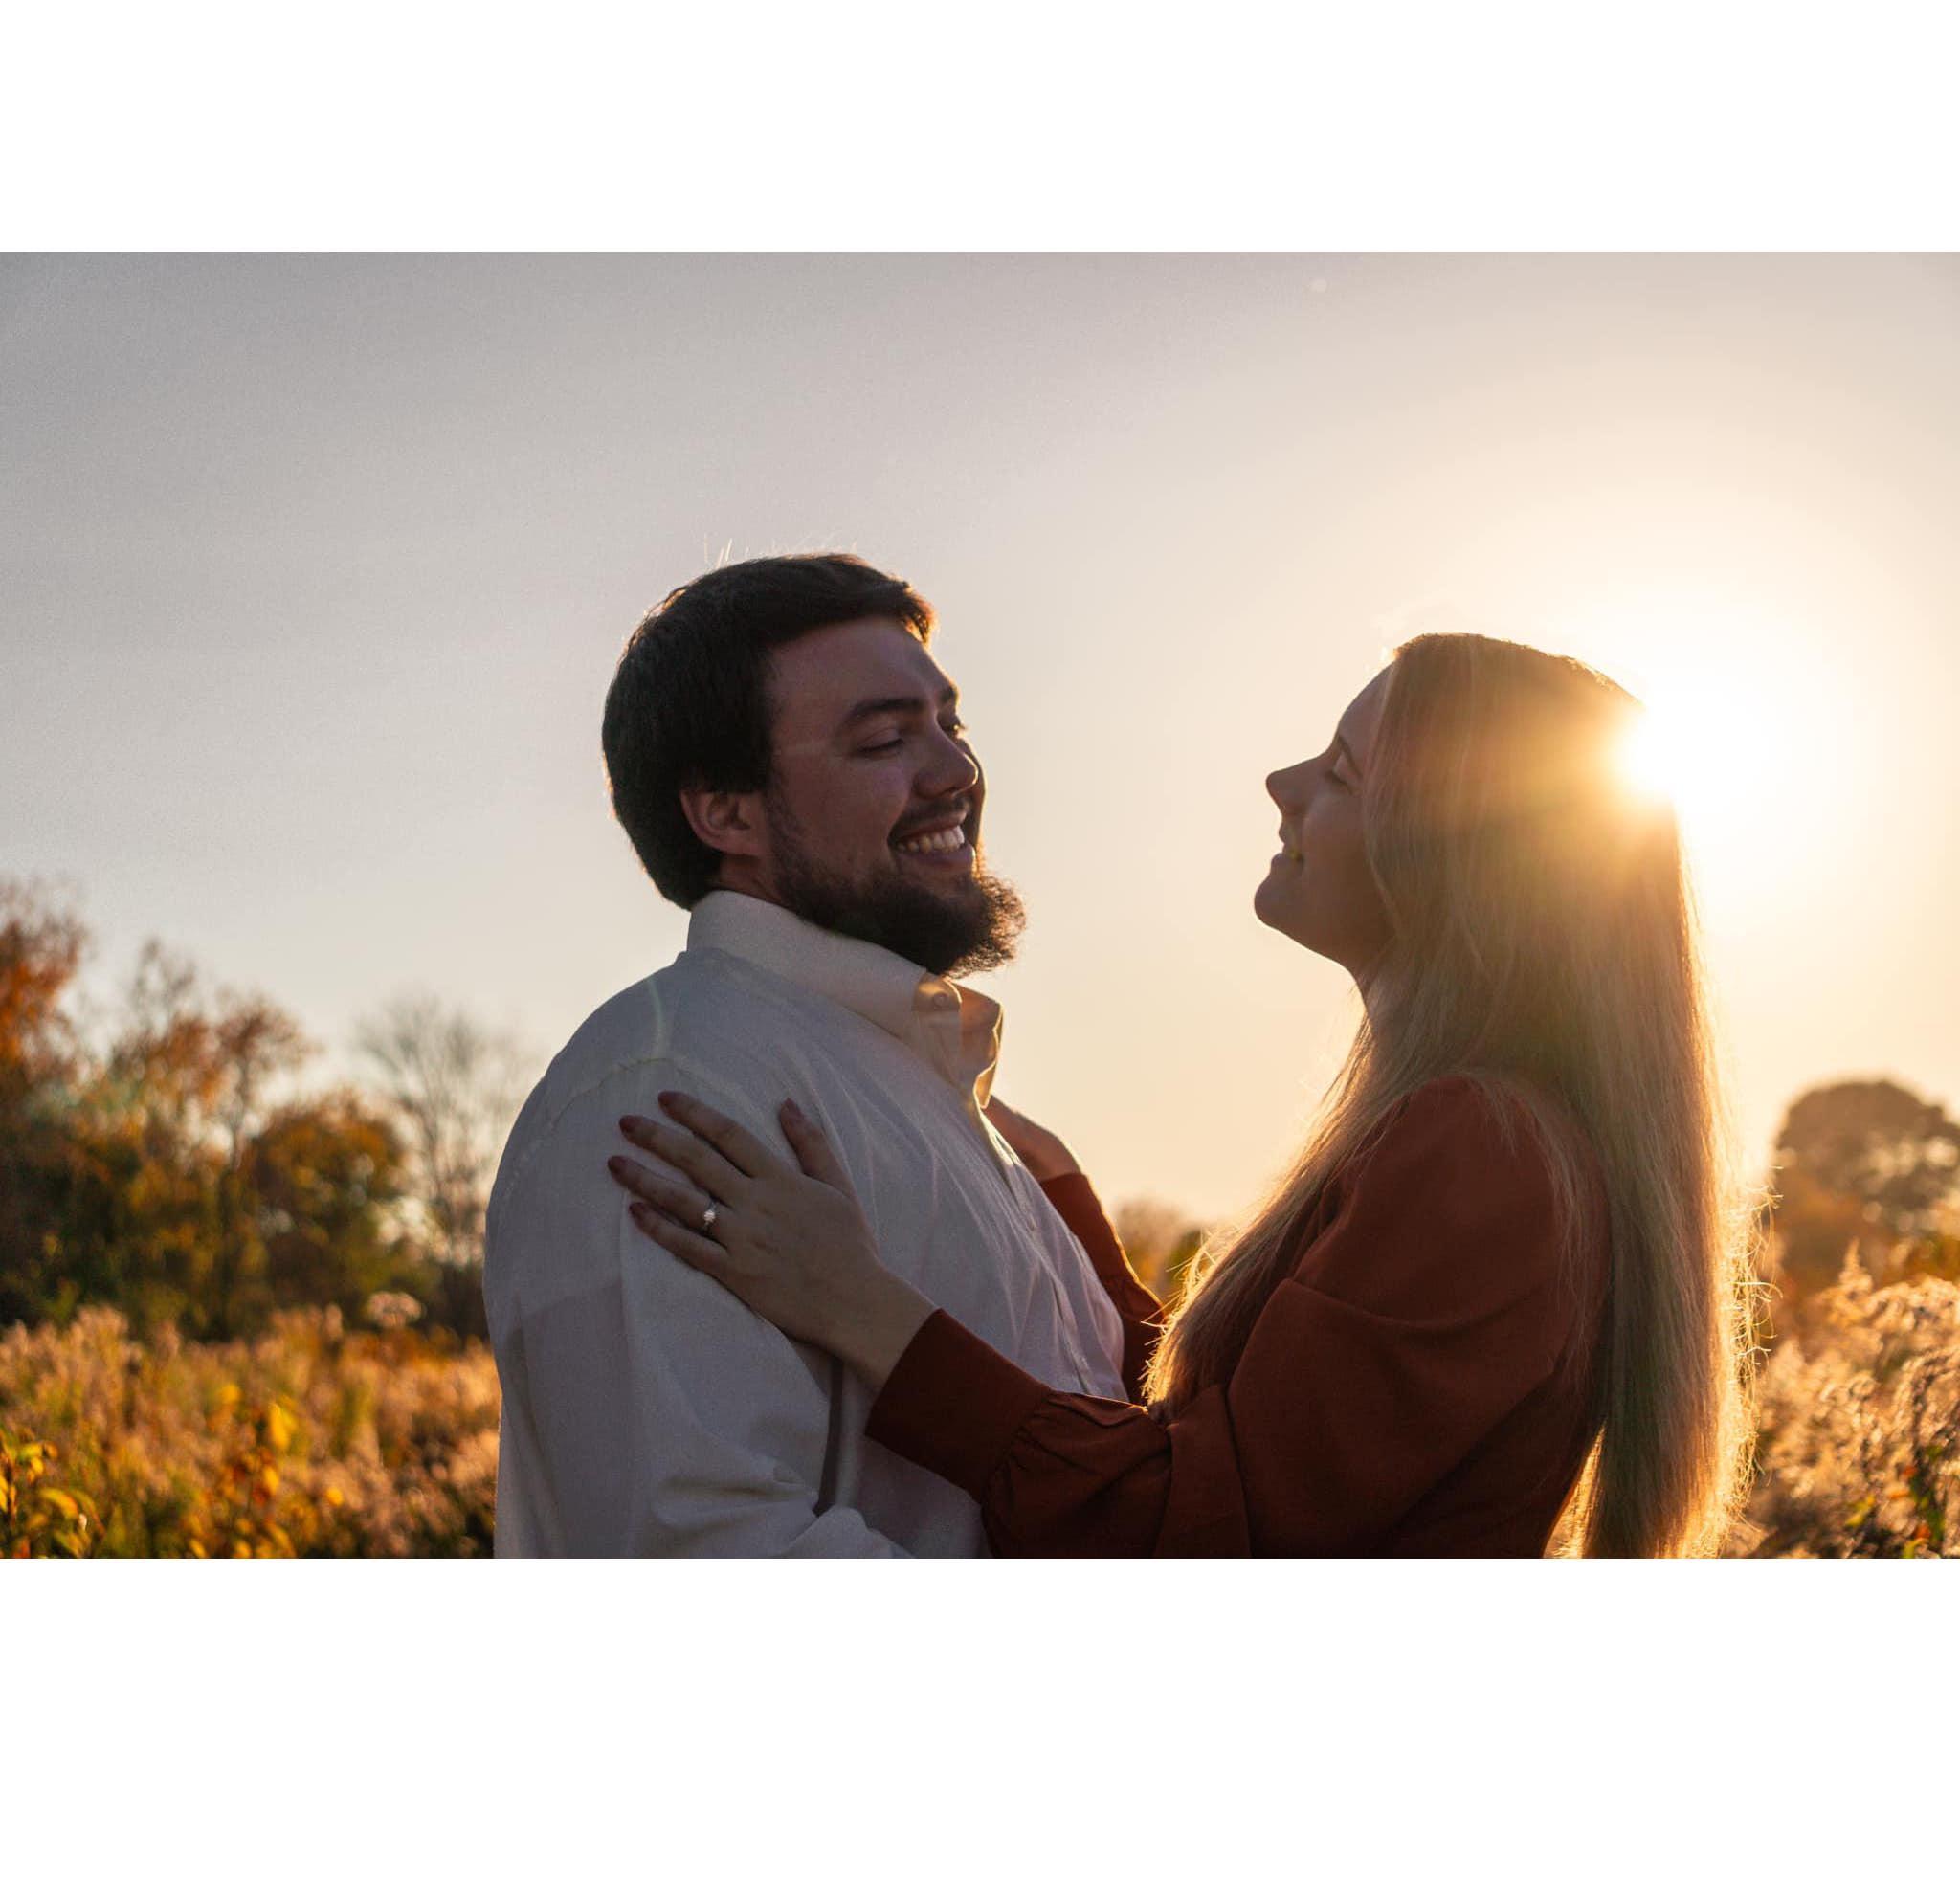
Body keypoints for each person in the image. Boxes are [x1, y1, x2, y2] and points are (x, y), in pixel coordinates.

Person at [607, 633, 1761, 1558]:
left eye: (1344, 771)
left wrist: (862, 1307)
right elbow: (1271, 1461)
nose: (1282, 783)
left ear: (1458, 855)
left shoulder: (1477, 1150)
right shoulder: (1473, 1134)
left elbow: (1193, 1537)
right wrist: (1074, 1228)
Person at [484, 554, 1128, 1556]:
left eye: (949, 724)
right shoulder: (664, 1093)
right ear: (726, 811)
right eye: (884, 738)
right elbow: (703, 1553)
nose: (956, 770)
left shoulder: (938, 1096)